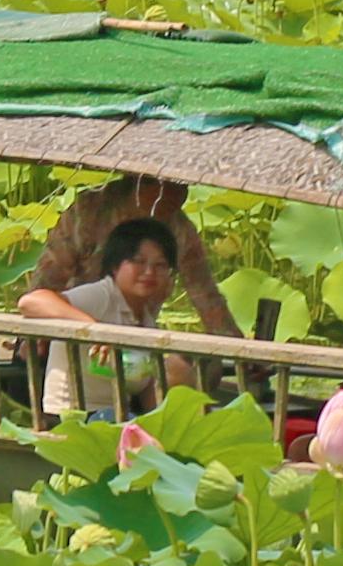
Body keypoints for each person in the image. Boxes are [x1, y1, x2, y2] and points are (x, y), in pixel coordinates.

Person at [27, 172, 236, 340]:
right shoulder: (89, 213)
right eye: (171, 185)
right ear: (140, 182)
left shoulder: (180, 230)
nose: (178, 195)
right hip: (73, 325)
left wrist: (238, 349)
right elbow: (43, 287)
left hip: (137, 333)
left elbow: (206, 296)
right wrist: (86, 328)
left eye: (183, 186)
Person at [14, 216, 188, 417]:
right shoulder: (101, 296)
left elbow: (150, 396)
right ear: (115, 266)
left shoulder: (146, 321)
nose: (149, 272)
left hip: (117, 416)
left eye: (160, 265)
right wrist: (94, 329)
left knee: (178, 369)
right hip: (74, 417)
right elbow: (30, 302)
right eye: (138, 262)